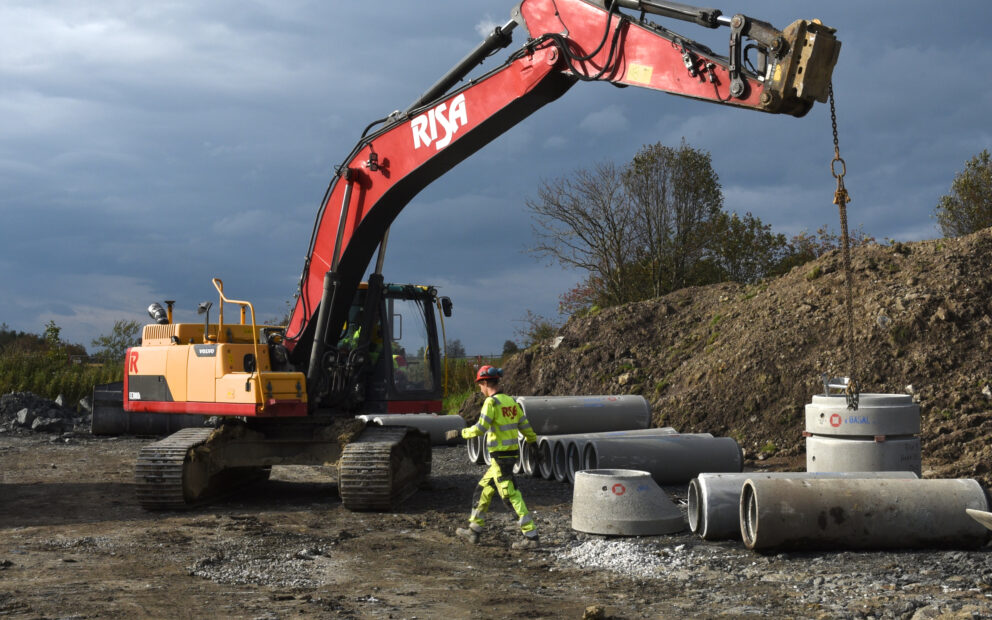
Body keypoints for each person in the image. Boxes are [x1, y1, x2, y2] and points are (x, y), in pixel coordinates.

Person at [444, 365, 539, 549]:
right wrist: (533, 443)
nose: (480, 389)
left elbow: (480, 428)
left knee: (510, 496)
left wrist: (459, 433)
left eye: (480, 384)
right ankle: (474, 531)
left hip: (500, 458)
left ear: (486, 382)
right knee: (483, 490)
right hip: (507, 456)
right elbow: (524, 425)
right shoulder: (510, 402)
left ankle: (531, 537)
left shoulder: (491, 403)